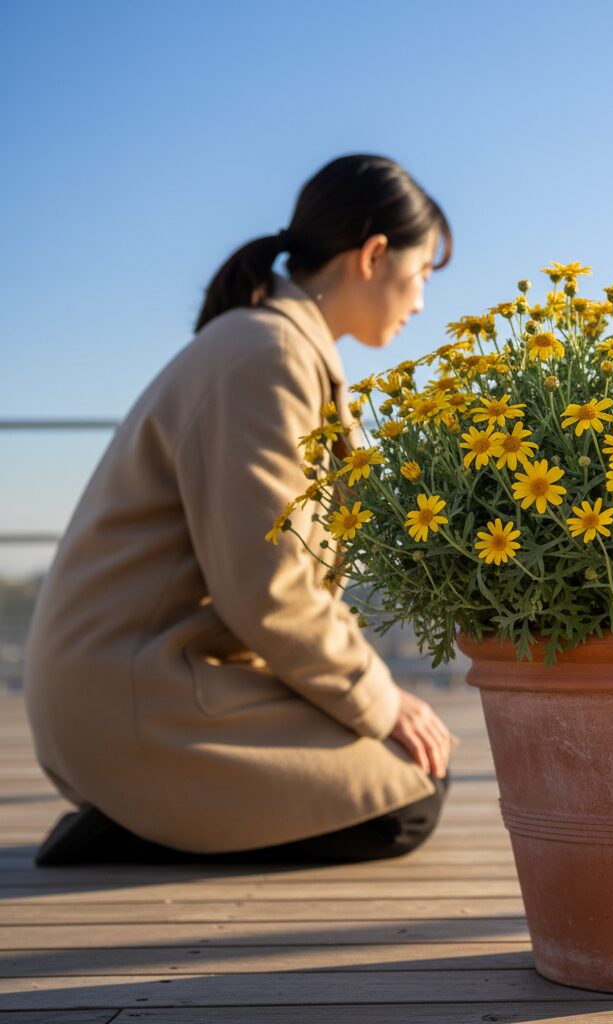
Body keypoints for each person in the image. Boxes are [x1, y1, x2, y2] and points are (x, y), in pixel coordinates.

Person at [24, 154, 459, 865]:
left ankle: (143, 812)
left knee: (407, 773)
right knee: (407, 795)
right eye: (422, 275)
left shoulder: (270, 344)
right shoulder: (267, 356)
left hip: (150, 675)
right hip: (131, 694)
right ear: (375, 256)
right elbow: (268, 584)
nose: (421, 301)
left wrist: (370, 703)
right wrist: (383, 700)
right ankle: (134, 820)